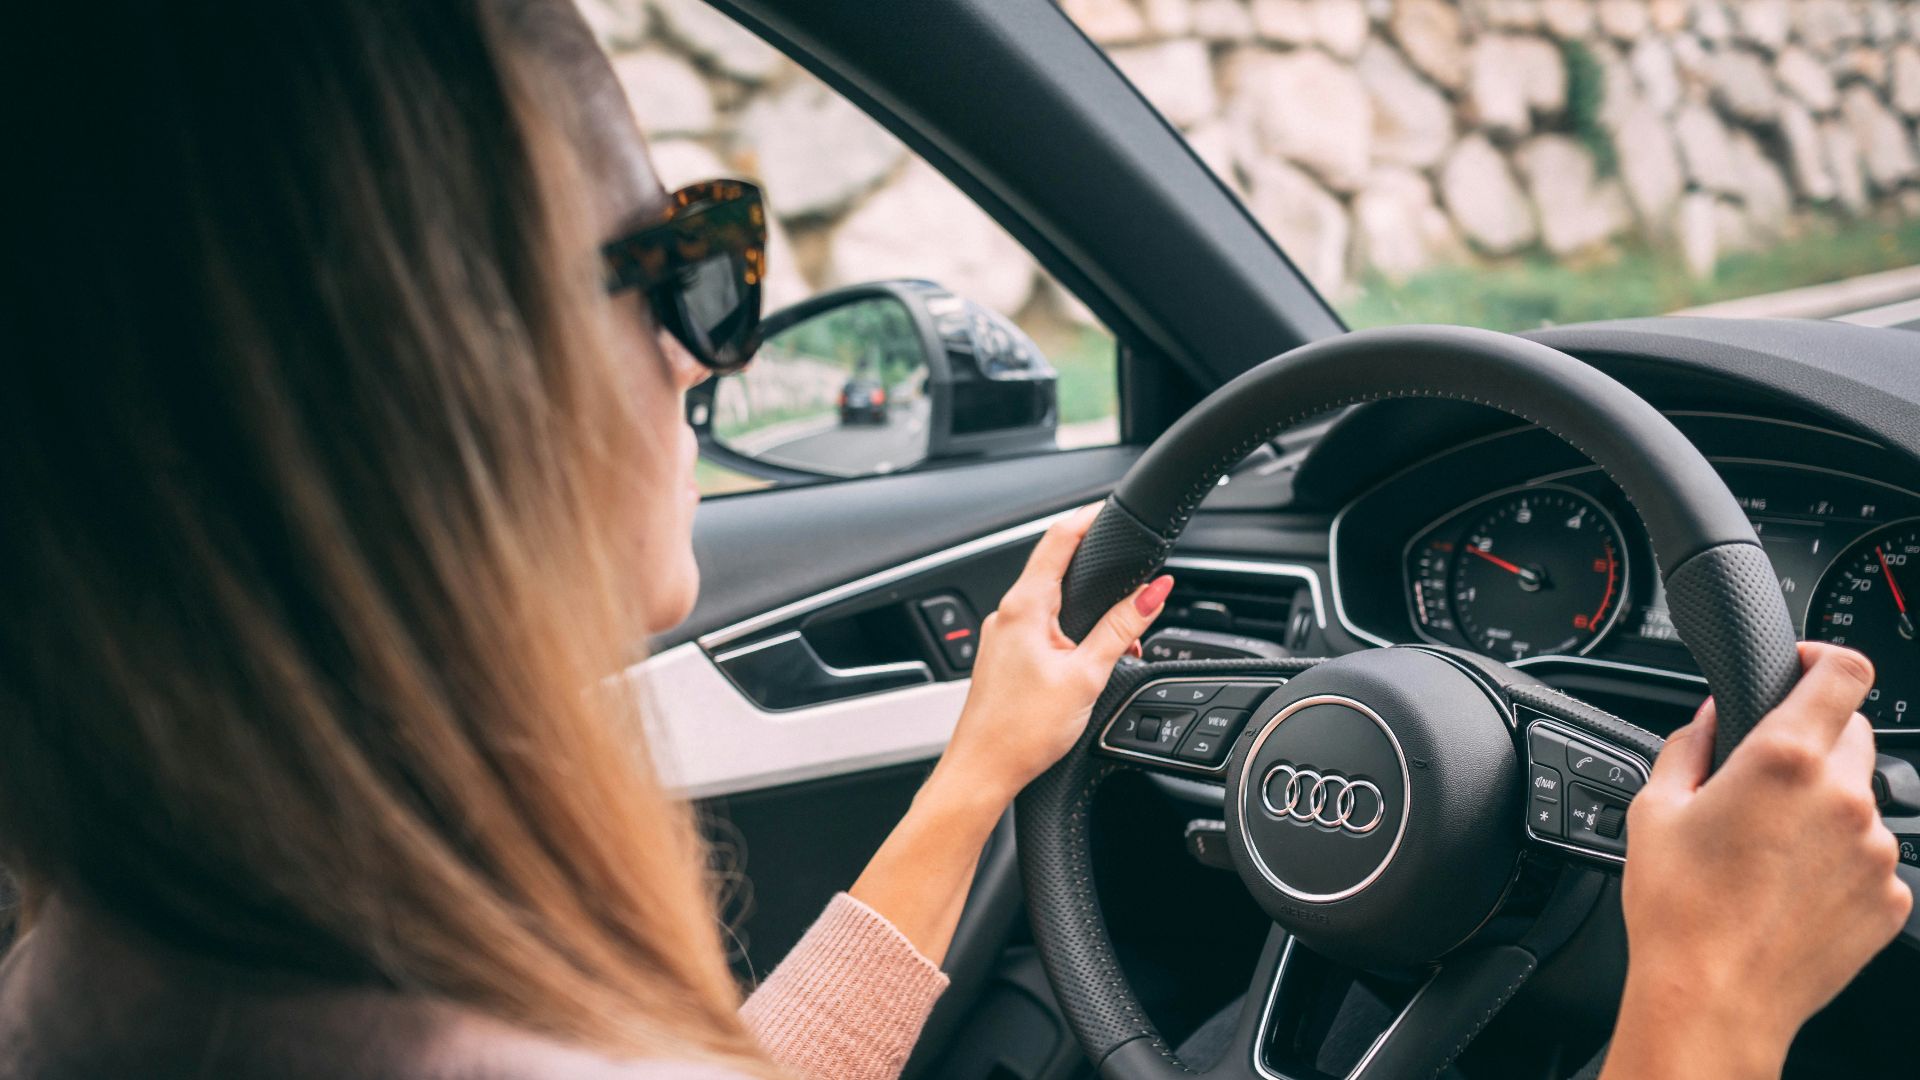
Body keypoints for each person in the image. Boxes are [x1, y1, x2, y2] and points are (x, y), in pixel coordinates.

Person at [0, 3, 1905, 1080]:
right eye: (690, 262)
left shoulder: (118, 972)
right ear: (436, 368)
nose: (706, 342)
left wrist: (978, 775)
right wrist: (1709, 1002)